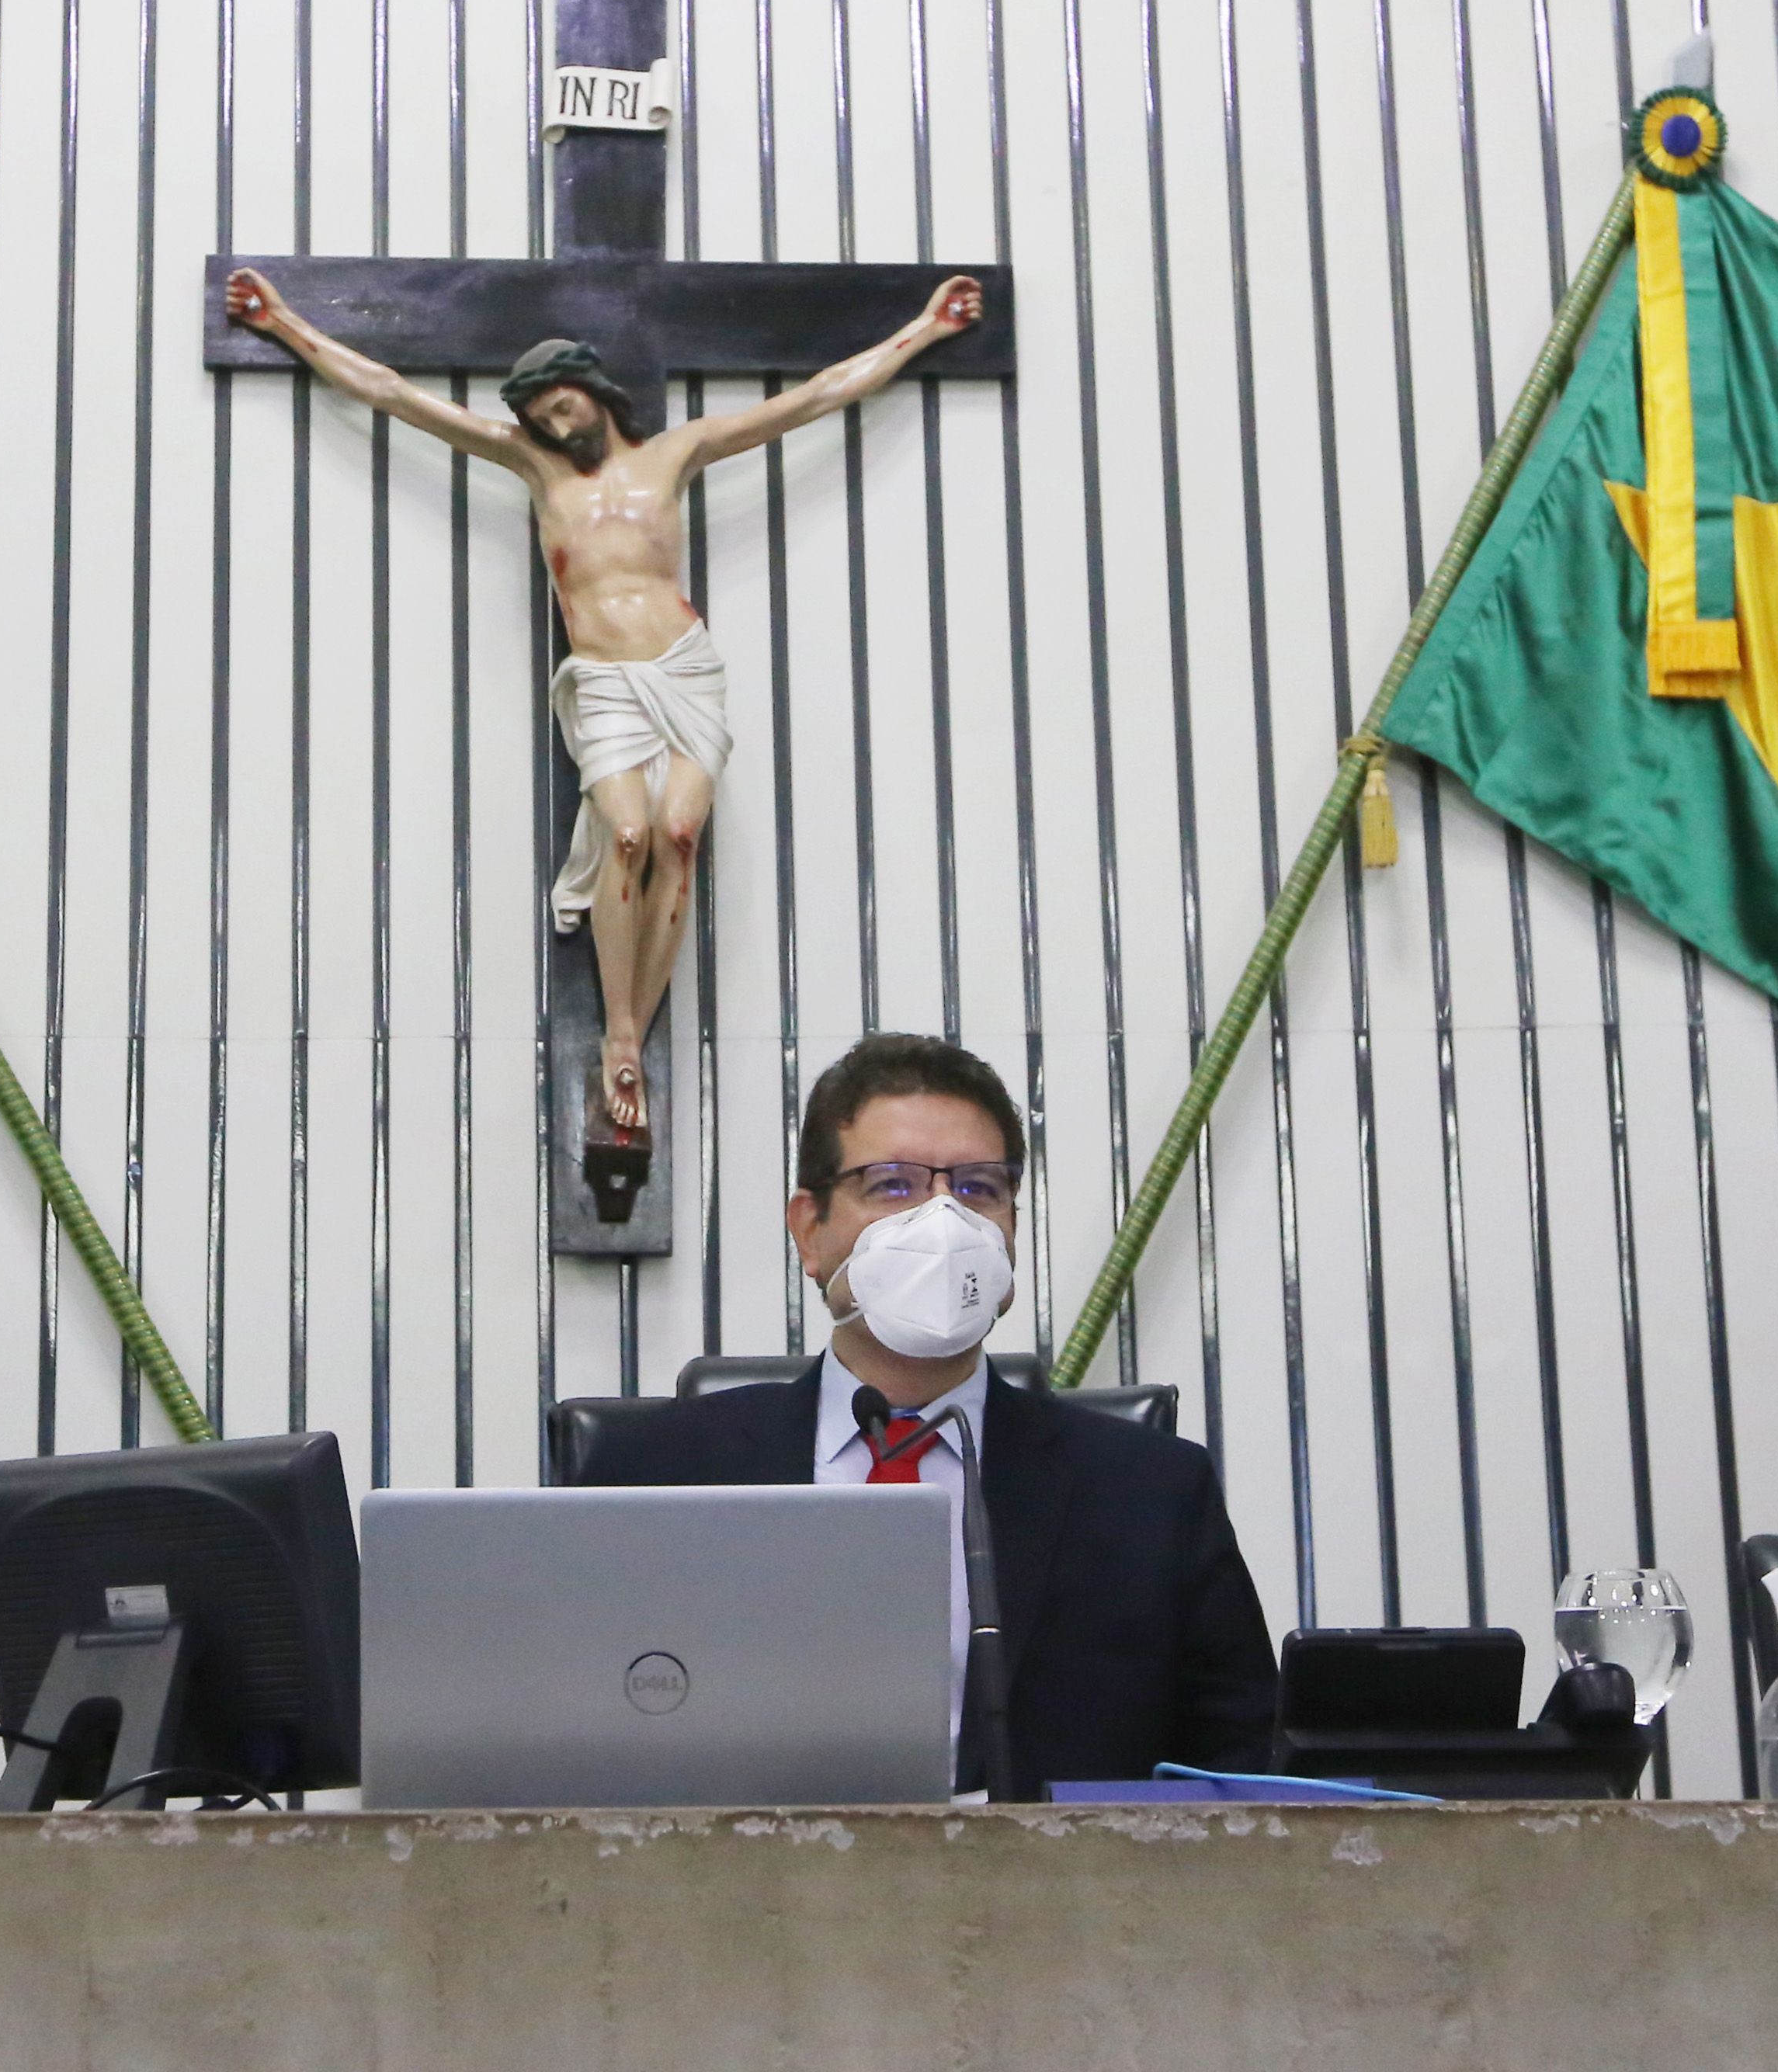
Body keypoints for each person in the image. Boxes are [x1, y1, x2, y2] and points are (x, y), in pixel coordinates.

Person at [223, 267, 981, 1167]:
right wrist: (286, 324)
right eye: (538, 414)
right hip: (607, 680)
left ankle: (632, 1032)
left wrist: (928, 329)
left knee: (679, 836)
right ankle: (621, 1031)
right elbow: (392, 394)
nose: (553, 423)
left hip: (684, 669)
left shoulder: (677, 454)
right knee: (627, 835)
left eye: (561, 403)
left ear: (594, 390)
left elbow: (816, 397)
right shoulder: (533, 465)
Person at [568, 1033, 1278, 1797]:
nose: (943, 1222)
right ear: (810, 1231)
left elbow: (1243, 1783)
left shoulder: (1152, 1494)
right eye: (892, 1185)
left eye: (979, 1188)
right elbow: (566, 1748)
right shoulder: (651, 1477)